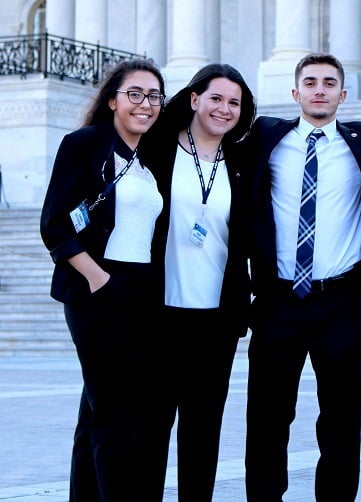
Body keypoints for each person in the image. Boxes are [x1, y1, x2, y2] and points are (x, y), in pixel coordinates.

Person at [243, 52, 361, 501]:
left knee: (342, 419)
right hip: (277, 299)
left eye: (328, 83)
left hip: (339, 300)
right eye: (310, 82)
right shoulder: (266, 137)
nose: (319, 89)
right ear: (295, 92)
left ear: (343, 94)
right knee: (267, 417)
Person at [39, 59, 166, 501]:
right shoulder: (85, 144)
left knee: (95, 413)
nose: (145, 104)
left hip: (142, 291)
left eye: (154, 96)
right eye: (135, 93)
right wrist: (100, 280)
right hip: (99, 289)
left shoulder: (147, 158)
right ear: (112, 99)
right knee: (116, 415)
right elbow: (55, 224)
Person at [142, 63, 256, 501]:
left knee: (203, 434)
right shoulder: (154, 149)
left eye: (234, 103)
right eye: (216, 98)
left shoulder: (243, 159)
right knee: (150, 432)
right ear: (194, 99)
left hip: (217, 320)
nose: (224, 109)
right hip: (159, 314)